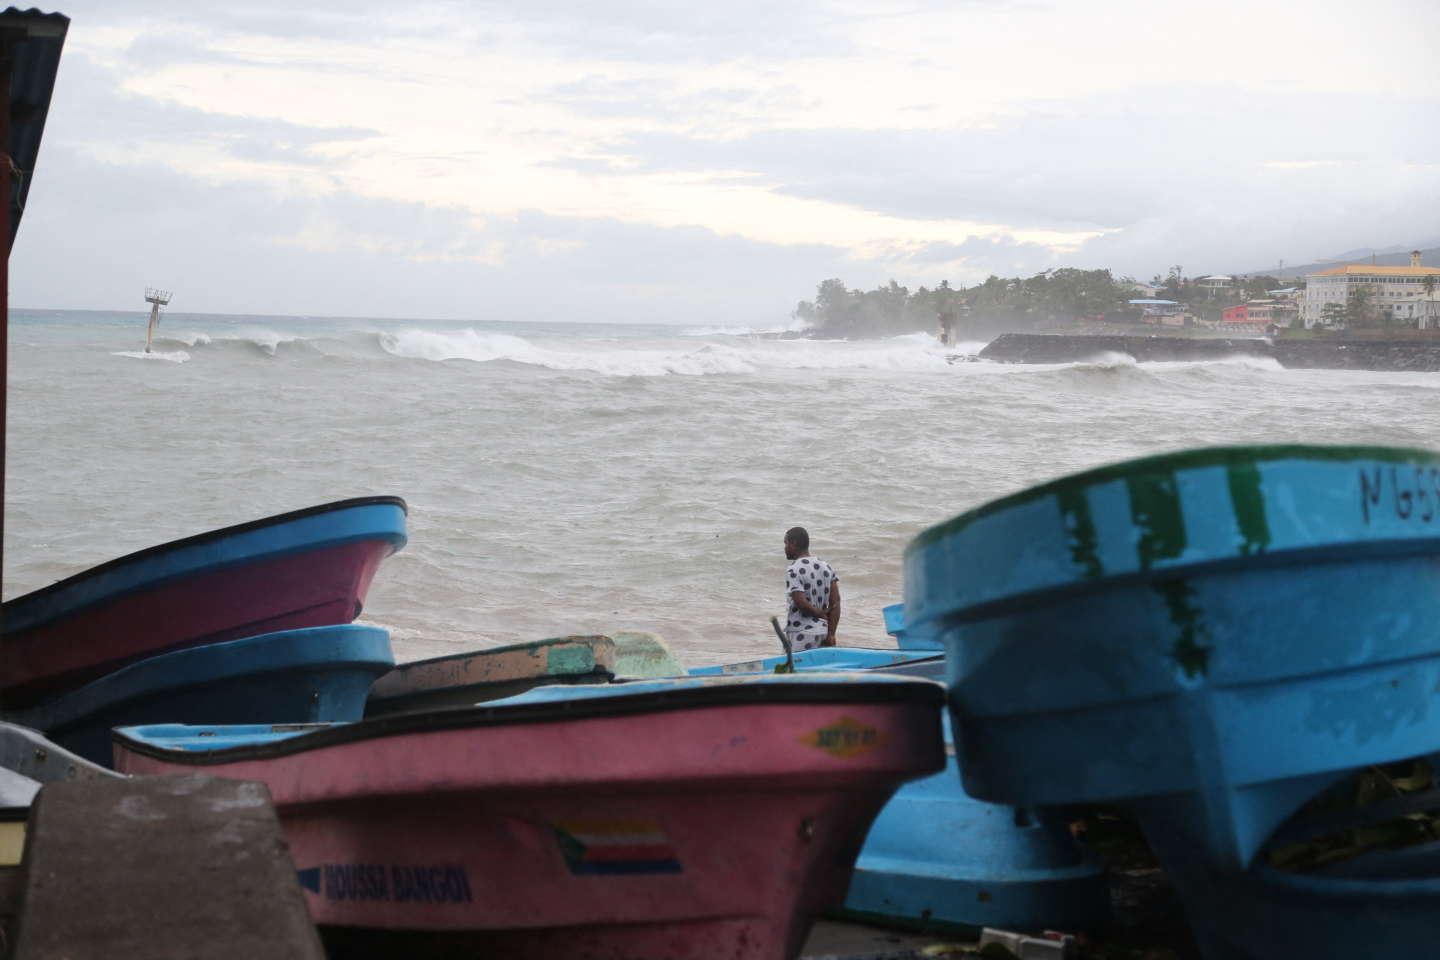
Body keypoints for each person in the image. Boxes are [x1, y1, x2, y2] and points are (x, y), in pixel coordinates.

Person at [782, 526, 840, 651]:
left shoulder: (793, 569)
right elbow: (835, 603)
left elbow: (801, 603)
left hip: (801, 634)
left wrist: (820, 613)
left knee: (793, 669)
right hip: (823, 632)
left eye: (786, 543)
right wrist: (831, 633)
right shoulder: (826, 567)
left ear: (794, 543)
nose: (784, 548)